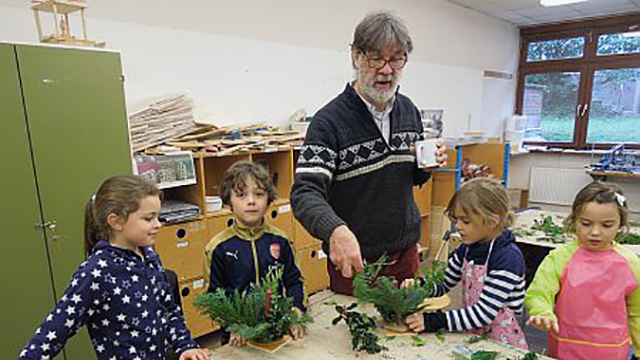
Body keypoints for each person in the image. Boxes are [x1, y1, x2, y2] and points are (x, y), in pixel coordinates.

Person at [290, 10, 447, 296]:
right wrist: (335, 230)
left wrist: (425, 166)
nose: (387, 70)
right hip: (356, 261)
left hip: (406, 255)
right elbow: (304, 194)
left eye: (396, 58)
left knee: (405, 332)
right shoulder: (328, 123)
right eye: (376, 58)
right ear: (356, 56)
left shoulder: (409, 110)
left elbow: (408, 179)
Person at [19, 175, 210, 360]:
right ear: (116, 221)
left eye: (157, 217)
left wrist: (185, 345)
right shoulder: (97, 271)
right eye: (148, 218)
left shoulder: (149, 256)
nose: (158, 225)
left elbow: (168, 309)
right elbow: (57, 326)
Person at [404, 178, 528, 350]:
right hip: (473, 335)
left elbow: (483, 314)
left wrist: (431, 321)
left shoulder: (508, 258)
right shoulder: (467, 249)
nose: (458, 227)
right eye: (456, 220)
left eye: (466, 221)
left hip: (502, 343)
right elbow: (443, 283)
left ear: (492, 222)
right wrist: (419, 286)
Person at [524, 181, 640, 360]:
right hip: (565, 348)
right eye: (586, 223)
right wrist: (542, 312)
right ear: (574, 220)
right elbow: (539, 292)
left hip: (611, 351)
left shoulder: (630, 262)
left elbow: (637, 311)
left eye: (606, 225)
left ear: (621, 224)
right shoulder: (559, 257)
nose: (595, 232)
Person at [204, 161, 306, 346]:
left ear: (268, 199)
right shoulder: (218, 247)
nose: (251, 201)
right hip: (238, 336)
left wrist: (296, 311)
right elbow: (213, 297)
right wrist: (233, 325)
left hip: (278, 329)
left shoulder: (280, 240)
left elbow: (294, 281)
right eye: (241, 195)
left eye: (259, 194)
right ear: (228, 201)